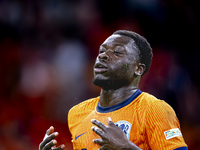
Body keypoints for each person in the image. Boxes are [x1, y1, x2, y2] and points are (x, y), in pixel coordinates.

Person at [39, 30, 188, 150]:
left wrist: (127, 148)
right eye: (101, 51)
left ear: (138, 68)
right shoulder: (76, 114)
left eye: (117, 52)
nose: (103, 56)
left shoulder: (155, 109)